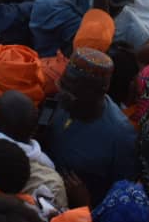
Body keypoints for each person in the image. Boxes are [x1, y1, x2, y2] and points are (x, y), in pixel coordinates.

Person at [44, 48, 140, 205]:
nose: (62, 96)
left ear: (99, 92)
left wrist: (85, 204)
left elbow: (119, 201)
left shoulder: (121, 137)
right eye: (62, 87)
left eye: (71, 94)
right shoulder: (60, 100)